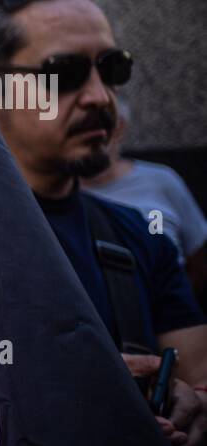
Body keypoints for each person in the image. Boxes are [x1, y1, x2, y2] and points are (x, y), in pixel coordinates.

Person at [0, 0, 206, 446]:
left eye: (111, 68)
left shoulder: (142, 239)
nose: (99, 97)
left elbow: (197, 378)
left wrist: (190, 405)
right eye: (65, 74)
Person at [83, 99, 207, 299]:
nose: (90, 137)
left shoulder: (162, 181)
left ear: (120, 127)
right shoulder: (58, 193)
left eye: (99, 124)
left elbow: (199, 262)